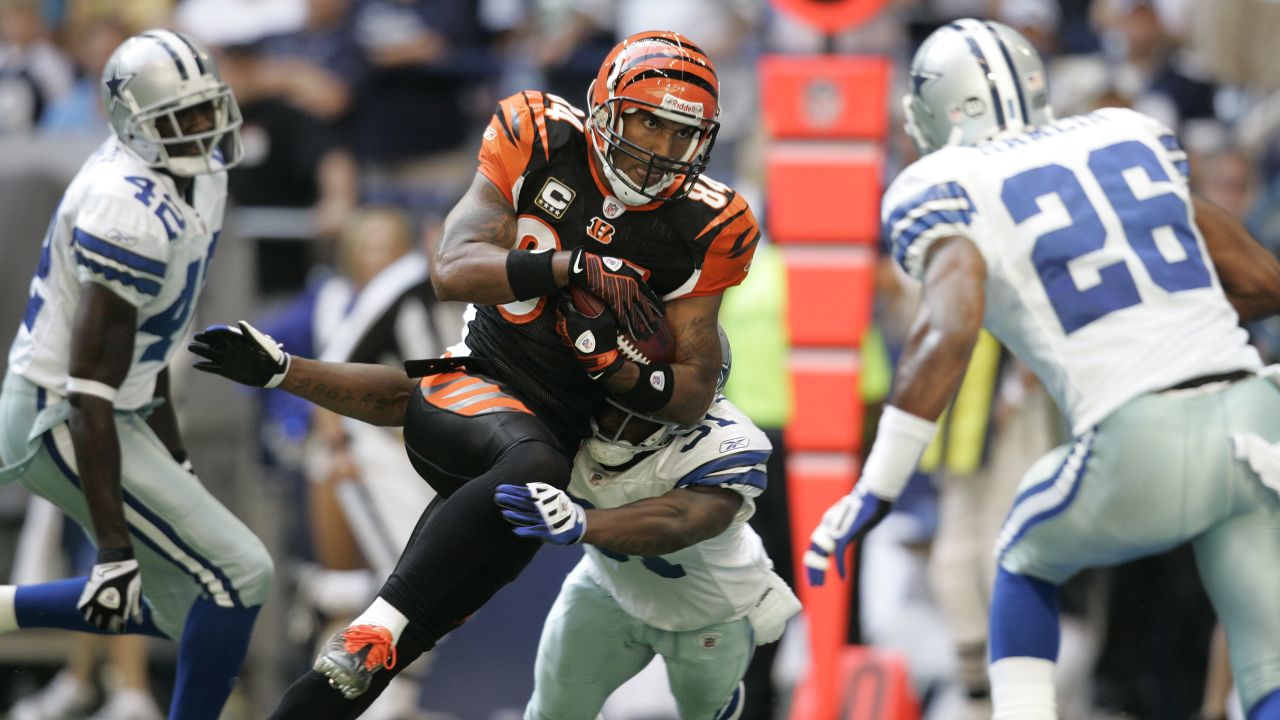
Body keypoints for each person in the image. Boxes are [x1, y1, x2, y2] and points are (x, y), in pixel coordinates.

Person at [187, 29, 759, 718]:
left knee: (371, 670)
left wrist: (624, 372)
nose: (663, 148)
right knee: (525, 467)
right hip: (480, 388)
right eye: (649, 121)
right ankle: (376, 624)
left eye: (681, 133)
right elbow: (450, 274)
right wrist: (569, 267)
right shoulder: (540, 133)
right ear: (605, 107)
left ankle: (370, 645)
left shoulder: (712, 223)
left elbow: (691, 395)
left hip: (544, 470)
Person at [803, 18, 1280, 720]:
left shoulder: (945, 181)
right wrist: (1168, 320)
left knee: (1024, 554)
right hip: (1254, 410)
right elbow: (1264, 281)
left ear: (937, 110)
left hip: (1141, 432)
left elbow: (949, 323)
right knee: (1267, 664)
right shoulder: (1123, 135)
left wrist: (877, 485)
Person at [0, 29, 273, 720]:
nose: (206, 129)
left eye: (209, 110)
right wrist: (113, 548)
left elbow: (150, 350)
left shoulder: (200, 177)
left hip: (110, 403)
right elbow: (89, 383)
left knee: (194, 609)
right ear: (135, 125)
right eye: (183, 119)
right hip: (58, 410)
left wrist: (173, 453)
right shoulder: (123, 204)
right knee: (242, 573)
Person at [494, 333, 800, 719]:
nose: (614, 415)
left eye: (640, 399)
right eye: (614, 392)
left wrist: (583, 520)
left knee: (706, 711)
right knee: (554, 711)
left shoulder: (727, 442)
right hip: (609, 587)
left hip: (710, 610)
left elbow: (682, 520)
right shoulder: (566, 407)